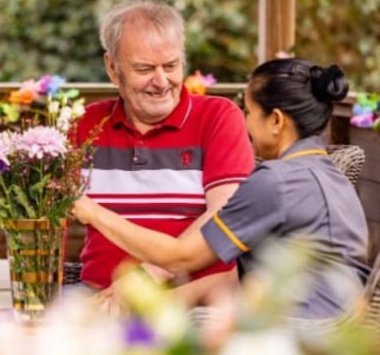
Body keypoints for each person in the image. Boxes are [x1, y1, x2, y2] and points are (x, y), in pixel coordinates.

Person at [72, 57, 370, 319]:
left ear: (276, 121)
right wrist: (143, 306)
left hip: (302, 329)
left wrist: (93, 212)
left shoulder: (275, 182)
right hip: (338, 325)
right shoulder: (329, 175)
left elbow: (180, 256)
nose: (245, 123)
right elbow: (231, 278)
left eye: (249, 112)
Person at [71, 0, 255, 301]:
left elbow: (224, 219)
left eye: (171, 66)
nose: (161, 82)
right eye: (144, 69)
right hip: (97, 295)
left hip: (193, 300)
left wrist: (144, 280)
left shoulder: (218, 117)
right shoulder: (86, 124)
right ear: (113, 68)